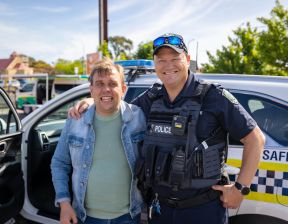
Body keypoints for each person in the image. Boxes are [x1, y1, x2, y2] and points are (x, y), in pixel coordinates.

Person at [69, 33, 265, 224]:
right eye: (161, 60)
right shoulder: (152, 98)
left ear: (187, 60)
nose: (168, 65)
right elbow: (117, 106)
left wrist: (240, 188)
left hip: (203, 210)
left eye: (175, 58)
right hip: (160, 210)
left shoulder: (213, 96)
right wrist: (91, 100)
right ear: (155, 64)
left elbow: (255, 138)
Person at [51, 58, 146, 224]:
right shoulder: (75, 120)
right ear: (91, 89)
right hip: (86, 217)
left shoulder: (139, 117)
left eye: (112, 84)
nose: (106, 89)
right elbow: (59, 163)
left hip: (129, 216)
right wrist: (64, 203)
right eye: (100, 84)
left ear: (123, 89)